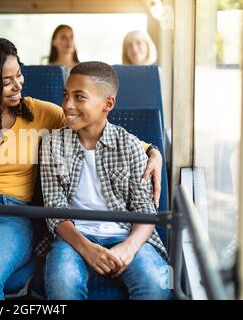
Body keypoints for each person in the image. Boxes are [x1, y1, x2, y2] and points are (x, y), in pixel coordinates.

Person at [0, 35, 164, 300]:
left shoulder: (40, 114)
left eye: (19, 75)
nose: (18, 85)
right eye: (7, 81)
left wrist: (151, 151)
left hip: (10, 215)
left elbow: (92, 125)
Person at [40, 61, 170, 300]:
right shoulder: (52, 143)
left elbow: (145, 211)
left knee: (155, 285)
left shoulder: (129, 145)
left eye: (79, 97)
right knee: (63, 286)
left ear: (107, 104)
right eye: (66, 95)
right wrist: (87, 249)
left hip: (125, 234)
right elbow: (55, 210)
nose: (67, 105)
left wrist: (128, 248)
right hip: (73, 237)